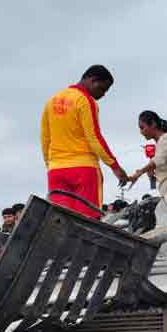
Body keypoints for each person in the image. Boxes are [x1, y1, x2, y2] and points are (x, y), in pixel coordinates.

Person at [41, 65, 128, 218]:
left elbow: (45, 138)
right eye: (102, 89)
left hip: (56, 170)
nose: (103, 95)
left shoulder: (52, 101)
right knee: (88, 220)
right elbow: (94, 137)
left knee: (60, 221)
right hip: (84, 171)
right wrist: (115, 167)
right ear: (92, 80)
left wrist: (50, 164)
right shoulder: (85, 100)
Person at [126, 111, 167, 224]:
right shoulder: (161, 143)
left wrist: (139, 172)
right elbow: (158, 165)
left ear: (152, 124)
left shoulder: (166, 139)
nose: (141, 132)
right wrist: (151, 174)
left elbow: (158, 160)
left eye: (142, 127)